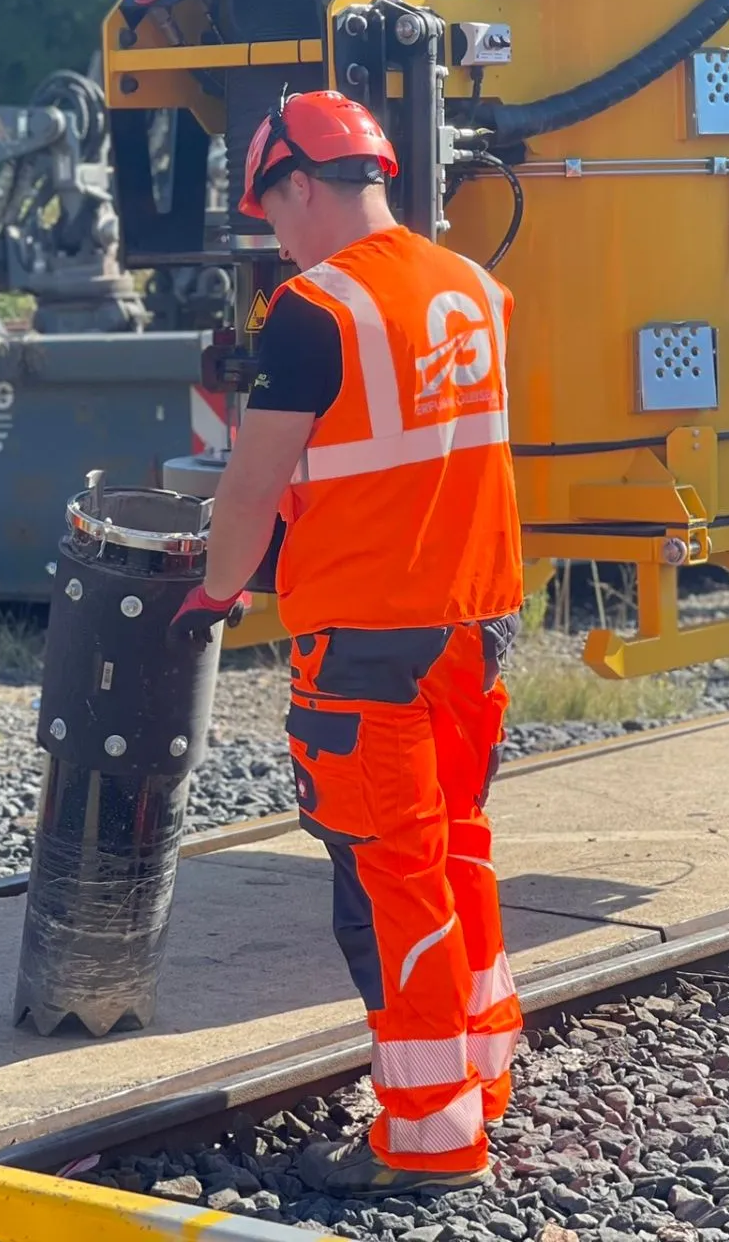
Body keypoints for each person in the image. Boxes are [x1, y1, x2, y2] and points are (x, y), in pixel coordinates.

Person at [175, 90, 526, 1196]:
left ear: (299, 185)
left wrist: (216, 594)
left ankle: (428, 1136)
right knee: (457, 845)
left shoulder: (313, 310)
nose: (273, 234)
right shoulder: (477, 289)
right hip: (478, 624)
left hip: (369, 639)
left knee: (389, 881)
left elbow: (252, 486)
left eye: (270, 208)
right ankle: (479, 1071)